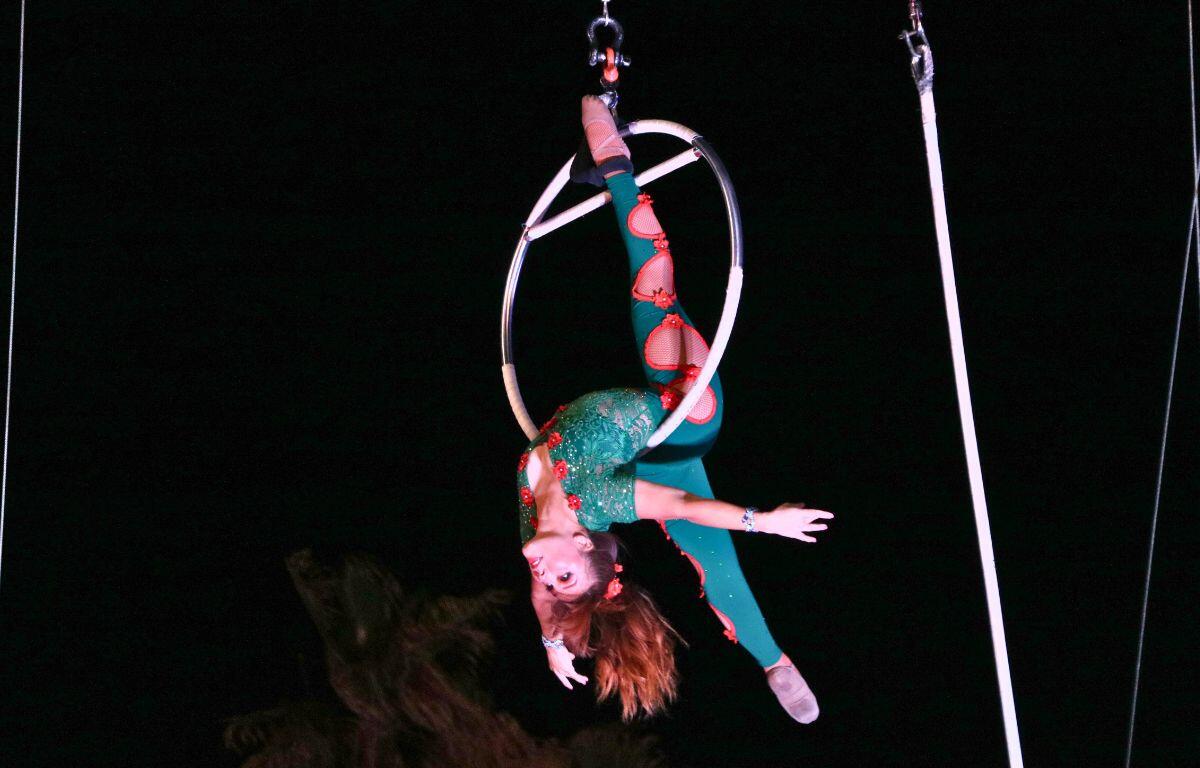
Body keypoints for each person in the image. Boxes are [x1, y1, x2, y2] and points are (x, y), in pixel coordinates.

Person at [517, 96, 833, 724]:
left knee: (708, 557)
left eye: (549, 584)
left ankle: (771, 662)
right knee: (655, 286)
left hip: (648, 452)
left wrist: (554, 641)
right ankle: (613, 162)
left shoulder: (538, 531)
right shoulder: (600, 503)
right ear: (583, 544)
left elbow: (546, 595)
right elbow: (684, 506)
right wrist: (762, 520)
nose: (546, 579)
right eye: (564, 579)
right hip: (684, 414)